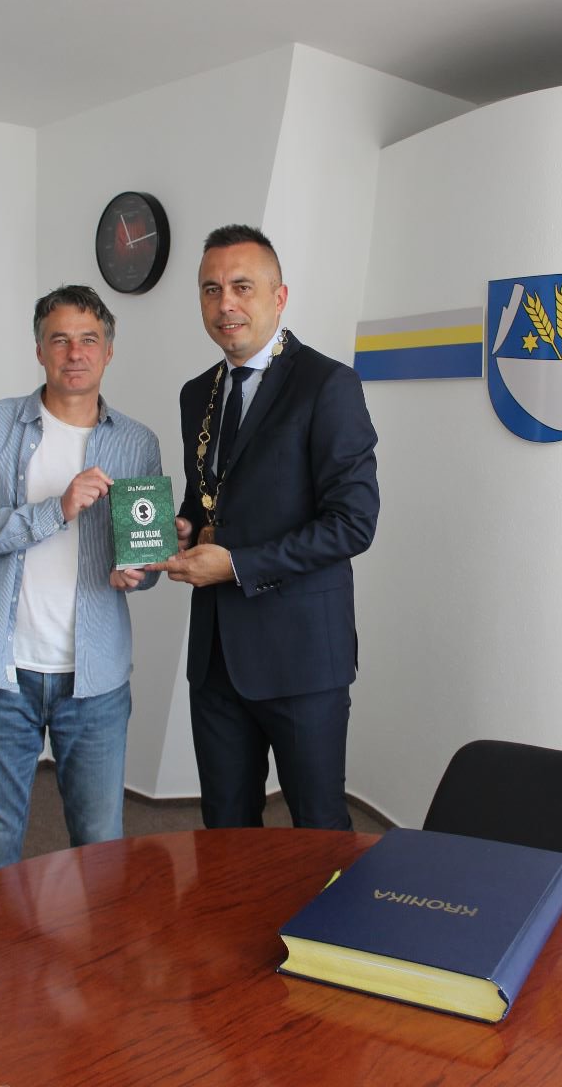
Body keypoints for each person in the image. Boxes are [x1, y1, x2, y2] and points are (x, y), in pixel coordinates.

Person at [154, 225, 379, 829]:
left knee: (320, 832)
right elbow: (210, 500)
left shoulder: (328, 385)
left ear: (279, 298)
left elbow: (353, 524)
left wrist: (235, 565)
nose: (225, 303)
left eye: (242, 287)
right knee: (226, 831)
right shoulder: (196, 394)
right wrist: (184, 527)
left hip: (303, 659)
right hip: (216, 660)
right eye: (211, 289)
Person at [0, 285, 161, 875]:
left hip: (95, 681)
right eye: (59, 339)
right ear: (39, 350)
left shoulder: (138, 442)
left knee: (100, 845)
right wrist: (54, 510)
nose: (74, 353)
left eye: (89, 339)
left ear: (108, 351)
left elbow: (146, 560)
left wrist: (139, 573)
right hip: (1, 674)